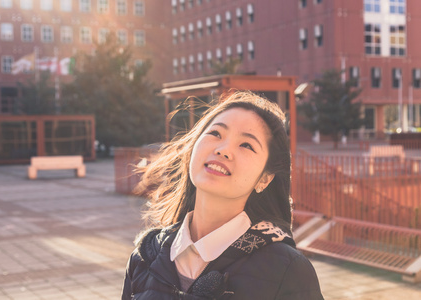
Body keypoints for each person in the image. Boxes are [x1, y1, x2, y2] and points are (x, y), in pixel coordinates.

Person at [122, 91, 324, 299]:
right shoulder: (145, 257)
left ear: (264, 178)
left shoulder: (288, 271)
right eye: (216, 133)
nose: (223, 150)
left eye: (246, 145)